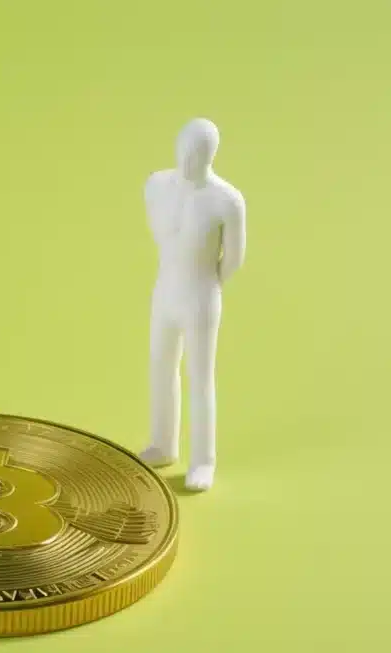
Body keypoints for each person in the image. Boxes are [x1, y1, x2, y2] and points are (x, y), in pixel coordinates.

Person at [139, 119, 246, 492]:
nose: (188, 159)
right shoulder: (157, 185)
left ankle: (203, 460)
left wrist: (208, 283)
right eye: (184, 150)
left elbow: (234, 259)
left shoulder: (226, 201)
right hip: (164, 291)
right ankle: (162, 443)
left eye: (198, 153)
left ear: (210, 155)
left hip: (200, 295)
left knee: (199, 376)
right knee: (160, 365)